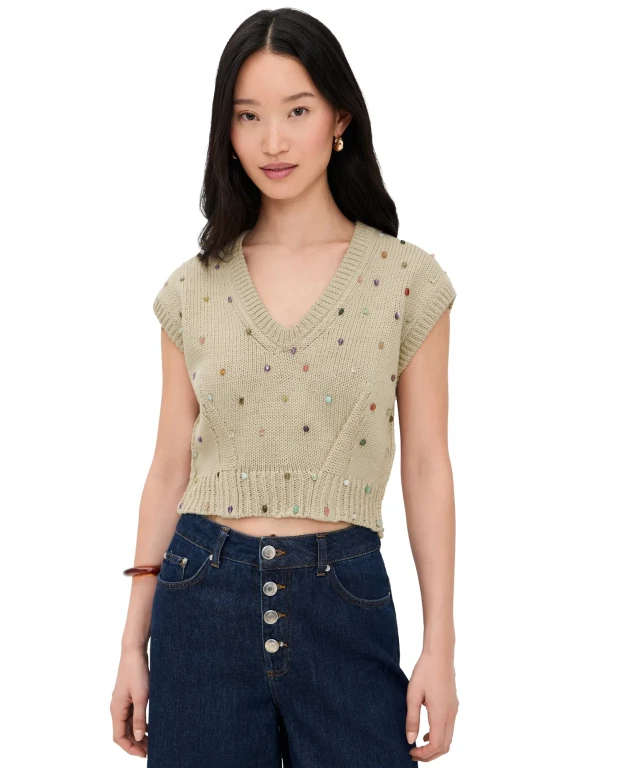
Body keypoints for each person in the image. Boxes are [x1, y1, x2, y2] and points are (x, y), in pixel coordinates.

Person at [110, 8, 459, 766]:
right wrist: (132, 643)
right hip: (200, 598)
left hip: (347, 600)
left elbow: (428, 465)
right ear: (227, 132)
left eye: (297, 111)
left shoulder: (406, 281)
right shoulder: (193, 289)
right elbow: (169, 467)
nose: (273, 141)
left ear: (340, 119)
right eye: (248, 116)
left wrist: (441, 646)